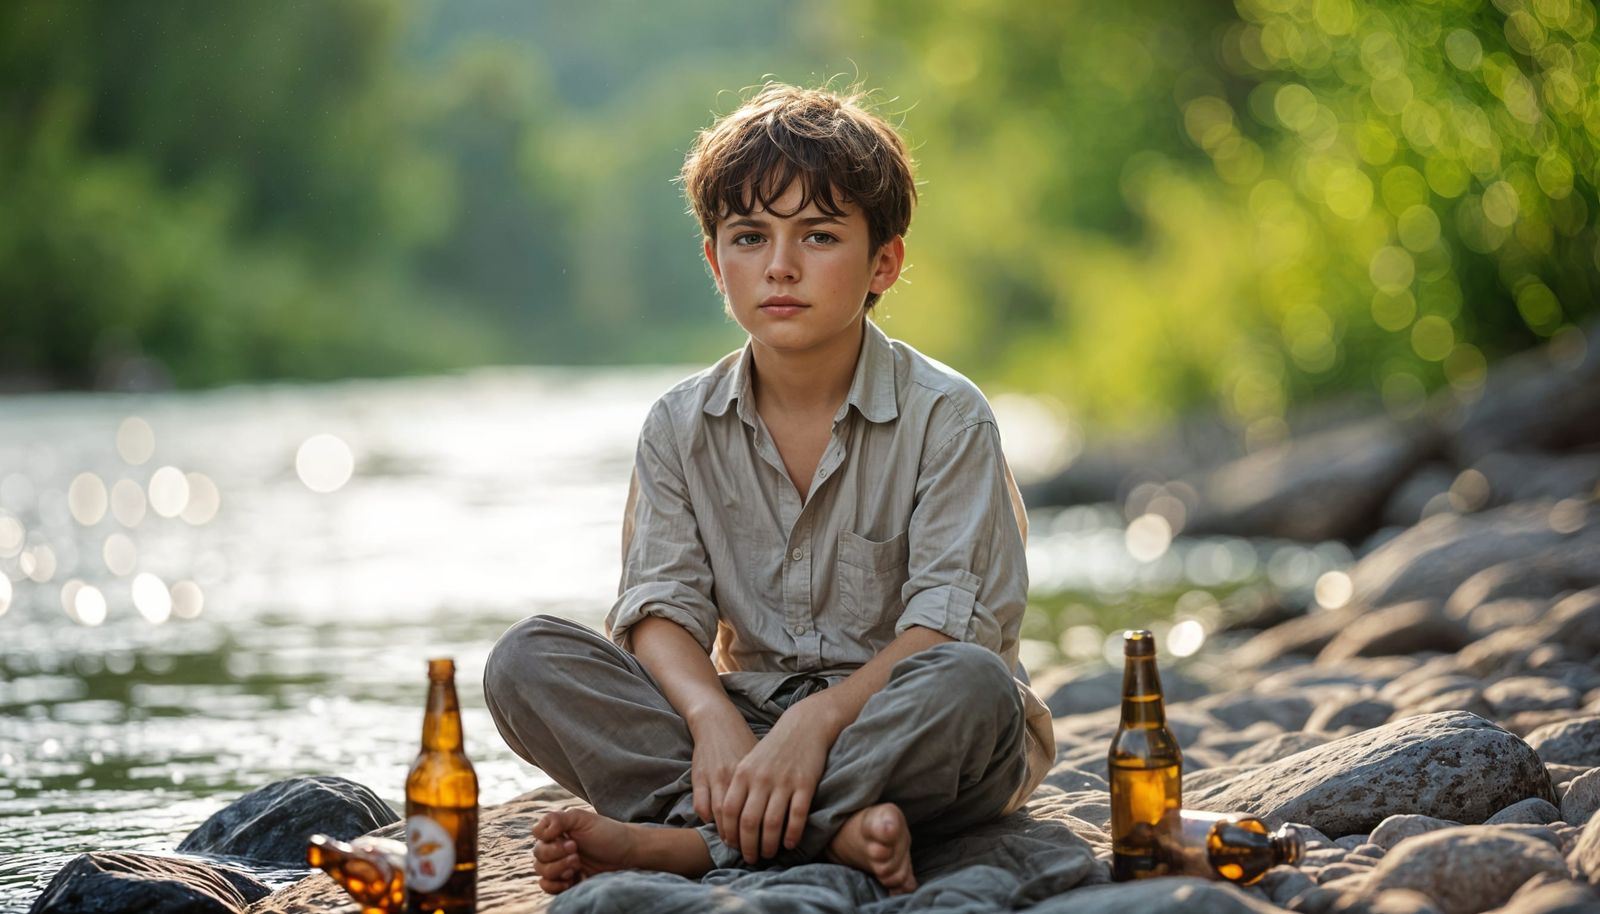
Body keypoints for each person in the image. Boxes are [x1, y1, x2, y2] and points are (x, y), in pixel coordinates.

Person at [482, 81, 1054, 898]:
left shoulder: (948, 419)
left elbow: (948, 631)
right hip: (744, 723)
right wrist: (714, 720)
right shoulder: (679, 425)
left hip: (895, 726)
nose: (780, 267)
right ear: (717, 263)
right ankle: (832, 832)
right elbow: (659, 609)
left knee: (977, 688)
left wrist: (817, 724)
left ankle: (688, 845)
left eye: (819, 236)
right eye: (750, 237)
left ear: (882, 262)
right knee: (525, 660)